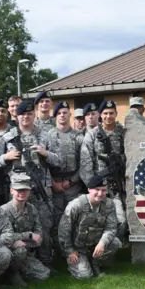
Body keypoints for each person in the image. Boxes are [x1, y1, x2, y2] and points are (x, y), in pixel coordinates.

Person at [1, 100, 62, 266]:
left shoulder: (46, 135)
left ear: (34, 115)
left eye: (29, 114)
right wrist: (4, 157)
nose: (26, 117)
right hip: (19, 191)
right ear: (17, 115)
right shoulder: (8, 137)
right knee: (15, 227)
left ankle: (45, 262)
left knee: (45, 226)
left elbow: (59, 161)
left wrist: (46, 153)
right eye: (22, 114)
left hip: (41, 189)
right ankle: (18, 266)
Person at [80, 100, 128, 243]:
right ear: (100, 115)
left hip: (118, 187)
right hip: (99, 188)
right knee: (97, 223)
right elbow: (85, 162)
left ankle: (113, 247)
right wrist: (93, 187)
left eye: (111, 113)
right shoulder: (93, 134)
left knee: (121, 220)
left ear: (116, 114)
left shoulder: (123, 132)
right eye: (105, 113)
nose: (108, 116)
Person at [58, 175, 121, 279]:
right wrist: (70, 251)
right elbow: (63, 230)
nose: (100, 194)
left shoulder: (109, 204)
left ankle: (95, 263)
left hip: (95, 245)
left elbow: (111, 228)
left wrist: (102, 243)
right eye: (97, 189)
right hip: (78, 248)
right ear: (89, 189)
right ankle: (78, 264)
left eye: (103, 190)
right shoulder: (76, 205)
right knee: (85, 276)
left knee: (115, 243)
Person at [46, 101, 85, 252]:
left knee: (73, 217)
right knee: (56, 218)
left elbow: (84, 163)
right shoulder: (48, 136)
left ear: (70, 115)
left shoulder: (78, 137)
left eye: (65, 112)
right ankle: (59, 251)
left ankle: (75, 249)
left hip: (72, 185)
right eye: (59, 113)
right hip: (54, 184)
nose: (62, 115)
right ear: (55, 116)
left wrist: (71, 181)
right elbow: (42, 163)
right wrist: (52, 182)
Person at [1, 173, 51, 286]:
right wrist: (28, 235)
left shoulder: (32, 209)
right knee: (20, 251)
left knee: (44, 275)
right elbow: (3, 237)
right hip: (8, 251)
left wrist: (27, 241)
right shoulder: (3, 211)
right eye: (18, 190)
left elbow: (38, 234)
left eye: (25, 190)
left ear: (29, 191)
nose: (22, 193)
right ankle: (12, 273)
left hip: (27, 250)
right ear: (11, 190)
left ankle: (21, 270)